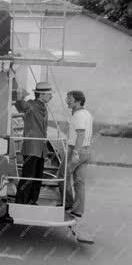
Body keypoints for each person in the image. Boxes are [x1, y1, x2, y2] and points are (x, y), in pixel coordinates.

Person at [14, 81, 53, 205]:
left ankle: (32, 200)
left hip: (40, 147)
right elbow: (21, 105)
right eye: (48, 94)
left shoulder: (43, 107)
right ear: (41, 95)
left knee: (37, 176)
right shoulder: (31, 104)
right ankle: (21, 202)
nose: (50, 97)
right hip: (32, 147)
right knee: (28, 176)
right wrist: (19, 95)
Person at [58, 90, 93, 218]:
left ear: (78, 101)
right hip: (87, 150)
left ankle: (67, 203)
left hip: (76, 149)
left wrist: (76, 152)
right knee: (79, 182)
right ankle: (78, 210)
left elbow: (81, 134)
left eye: (70, 99)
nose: (67, 101)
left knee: (62, 175)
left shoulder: (78, 116)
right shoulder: (87, 114)